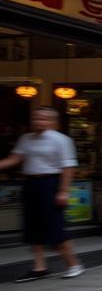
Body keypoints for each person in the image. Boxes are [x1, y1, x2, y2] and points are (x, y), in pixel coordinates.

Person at [0, 107, 83, 281]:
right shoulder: (26, 138)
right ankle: (39, 268)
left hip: (51, 183)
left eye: (44, 119)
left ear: (53, 122)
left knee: (54, 227)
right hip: (31, 183)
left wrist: (63, 191)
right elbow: (15, 159)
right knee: (33, 227)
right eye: (36, 118)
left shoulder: (62, 140)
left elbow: (68, 167)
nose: (39, 121)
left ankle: (74, 264)